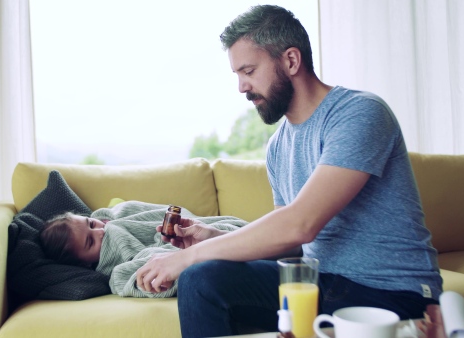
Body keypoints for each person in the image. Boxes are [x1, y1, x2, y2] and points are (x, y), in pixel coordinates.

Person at [135, 4, 442, 337]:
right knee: (203, 280)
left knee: (195, 268)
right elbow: (290, 244)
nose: (241, 87)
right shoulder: (278, 147)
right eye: (237, 75)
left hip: (391, 291)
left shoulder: (359, 114)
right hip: (319, 283)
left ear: (291, 60)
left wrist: (190, 256)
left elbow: (300, 225)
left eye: (248, 71)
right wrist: (214, 238)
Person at [39, 200, 247, 298]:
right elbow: (135, 276)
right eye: (90, 242)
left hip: (198, 236)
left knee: (232, 235)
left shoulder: (117, 216)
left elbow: (157, 214)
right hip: (171, 253)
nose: (101, 231)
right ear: (83, 262)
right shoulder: (114, 272)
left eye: (92, 224)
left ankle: (222, 240)